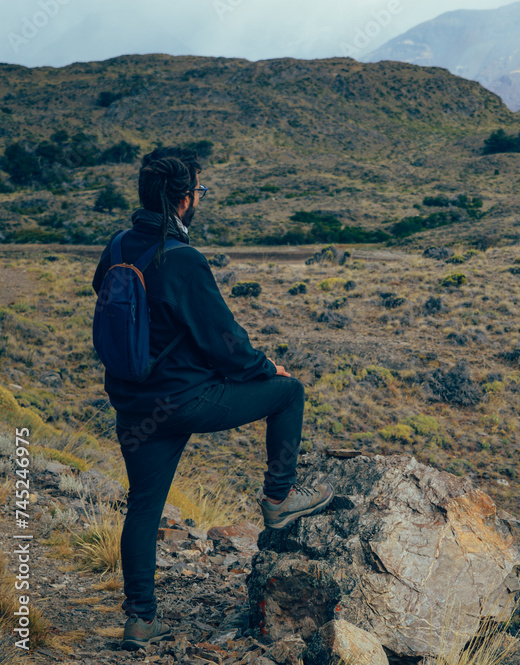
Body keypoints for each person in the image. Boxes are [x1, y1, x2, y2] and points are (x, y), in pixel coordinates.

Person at [91, 147, 333, 651]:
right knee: (289, 393)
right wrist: (268, 369)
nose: (199, 198)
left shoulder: (116, 247)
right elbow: (224, 342)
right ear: (182, 201)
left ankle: (140, 621)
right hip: (185, 400)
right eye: (199, 191)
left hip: (134, 405)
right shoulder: (182, 259)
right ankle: (278, 498)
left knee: (143, 508)